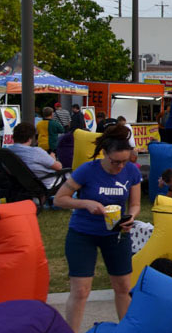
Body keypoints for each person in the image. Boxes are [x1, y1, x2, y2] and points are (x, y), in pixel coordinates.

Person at [53, 126, 141, 332]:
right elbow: (59, 199)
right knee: (81, 290)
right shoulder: (87, 170)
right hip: (83, 234)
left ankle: (125, 329)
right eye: (115, 162)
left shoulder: (132, 171)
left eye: (124, 162)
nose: (120, 166)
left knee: (122, 287)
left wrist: (132, 217)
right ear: (105, 154)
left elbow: (135, 204)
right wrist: (86, 204)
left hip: (116, 234)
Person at [8, 122, 64, 188]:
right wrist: (53, 158)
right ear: (30, 138)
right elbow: (58, 167)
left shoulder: (8, 151)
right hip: (45, 183)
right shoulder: (35, 152)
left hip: (21, 184)